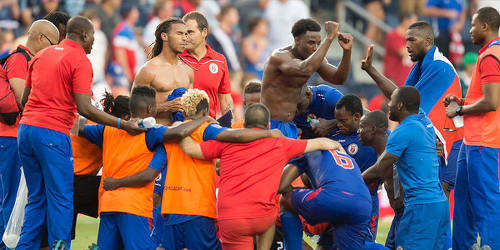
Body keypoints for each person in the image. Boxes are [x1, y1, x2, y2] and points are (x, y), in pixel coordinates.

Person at [15, 16, 143, 249]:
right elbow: (85, 108)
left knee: (36, 198)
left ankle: (24, 247)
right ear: (84, 35)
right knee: (62, 198)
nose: (94, 42)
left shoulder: (42, 55)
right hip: (52, 133)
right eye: (93, 36)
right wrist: (122, 124)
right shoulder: (80, 60)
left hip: (25, 131)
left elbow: (24, 100)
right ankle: (59, 246)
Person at [104, 91, 285, 249]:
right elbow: (234, 136)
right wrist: (267, 134)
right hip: (198, 211)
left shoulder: (168, 136)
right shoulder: (206, 129)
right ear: (205, 111)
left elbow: (152, 172)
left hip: (171, 212)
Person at [177, 103, 341, 249]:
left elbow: (191, 149)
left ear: (245, 124)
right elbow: (320, 143)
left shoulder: (229, 139)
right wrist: (339, 147)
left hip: (233, 220)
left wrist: (179, 127)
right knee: (268, 216)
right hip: (262, 218)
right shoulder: (281, 143)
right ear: (268, 125)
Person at [80, 86, 215, 249]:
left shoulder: (107, 130)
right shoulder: (150, 132)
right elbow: (179, 133)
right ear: (151, 109)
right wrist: (203, 119)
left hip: (108, 205)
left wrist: (118, 123)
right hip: (134, 208)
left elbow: (78, 128)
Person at [361, 21, 463, 198]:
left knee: (436, 204)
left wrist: (373, 71)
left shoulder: (438, 66)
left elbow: (402, 101)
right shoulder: (421, 66)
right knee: (428, 204)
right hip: (436, 142)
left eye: (412, 40)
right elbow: (399, 97)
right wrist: (371, 70)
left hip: (446, 143)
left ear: (427, 41)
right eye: (405, 40)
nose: (406, 45)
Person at [363, 86, 449, 249]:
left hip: (420, 206)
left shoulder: (402, 131)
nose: (388, 105)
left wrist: (354, 181)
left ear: (400, 105)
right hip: (439, 204)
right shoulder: (425, 125)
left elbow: (381, 167)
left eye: (392, 101)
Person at [444, 7, 500, 250]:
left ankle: (491, 245)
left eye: (473, 25)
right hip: (473, 141)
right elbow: (484, 97)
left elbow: (491, 102)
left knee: (486, 201)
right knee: (464, 202)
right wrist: (462, 102)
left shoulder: (490, 57)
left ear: (485, 26)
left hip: (484, 142)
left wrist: (459, 111)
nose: (470, 30)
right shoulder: (489, 53)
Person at [0, 19, 58, 249]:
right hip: (11, 136)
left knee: (16, 197)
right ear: (40, 38)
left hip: (17, 135)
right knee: (12, 197)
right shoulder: (19, 58)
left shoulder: (28, 59)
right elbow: (22, 98)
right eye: (53, 43)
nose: (54, 49)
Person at [261, 18, 353, 138]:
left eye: (318, 43)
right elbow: (304, 70)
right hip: (271, 124)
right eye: (311, 43)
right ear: (297, 40)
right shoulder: (279, 57)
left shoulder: (312, 58)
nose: (315, 48)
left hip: (289, 125)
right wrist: (329, 38)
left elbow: (338, 79)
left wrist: (347, 51)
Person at [278, 147, 372, 249]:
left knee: (284, 201)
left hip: (332, 198)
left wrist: (290, 190)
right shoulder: (340, 153)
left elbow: (280, 186)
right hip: (363, 203)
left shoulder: (309, 151)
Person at [329, 94, 380, 241]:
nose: (338, 124)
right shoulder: (333, 136)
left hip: (368, 202)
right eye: (336, 120)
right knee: (329, 244)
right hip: (337, 200)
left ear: (357, 117)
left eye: (343, 121)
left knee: (363, 244)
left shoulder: (376, 135)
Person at [133, 17, 193, 126]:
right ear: (164, 36)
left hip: (184, 132)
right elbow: (135, 111)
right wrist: (165, 107)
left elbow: (192, 110)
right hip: (157, 133)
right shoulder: (148, 70)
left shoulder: (188, 71)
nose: (185, 38)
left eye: (186, 34)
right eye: (179, 33)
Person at [359, 111, 404, 250]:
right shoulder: (382, 154)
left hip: (409, 216)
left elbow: (360, 181)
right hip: (400, 216)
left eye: (361, 127)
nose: (358, 131)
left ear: (372, 129)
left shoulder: (390, 156)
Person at [180, 11, 233, 119]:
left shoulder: (219, 60)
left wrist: (230, 127)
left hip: (208, 128)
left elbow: (225, 100)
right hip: (181, 128)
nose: (186, 37)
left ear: (204, 32)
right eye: (183, 33)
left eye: (190, 32)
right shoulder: (176, 59)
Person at [110, 3, 140, 94]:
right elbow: (119, 52)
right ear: (130, 13)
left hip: (128, 74)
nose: (138, 13)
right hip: (121, 75)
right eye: (135, 10)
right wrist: (127, 72)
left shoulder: (128, 28)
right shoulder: (123, 29)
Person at [206, 4, 242, 73]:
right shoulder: (214, 34)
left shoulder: (234, 34)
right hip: (223, 71)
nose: (237, 16)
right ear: (225, 16)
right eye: (234, 14)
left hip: (235, 70)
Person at [384, 12, 417, 86]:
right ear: (405, 21)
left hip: (407, 79)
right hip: (393, 79)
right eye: (413, 21)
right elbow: (403, 52)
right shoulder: (393, 35)